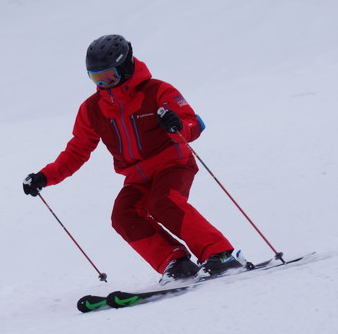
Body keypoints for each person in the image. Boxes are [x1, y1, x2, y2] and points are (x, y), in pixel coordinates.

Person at [23, 34, 244, 282]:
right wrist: (45, 177)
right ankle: (176, 263)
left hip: (173, 164)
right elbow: (77, 150)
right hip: (137, 177)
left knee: (164, 202)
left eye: (110, 76)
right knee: (123, 215)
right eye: (96, 78)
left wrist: (176, 126)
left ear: (125, 67)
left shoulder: (158, 91)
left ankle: (222, 255)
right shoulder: (92, 109)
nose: (104, 84)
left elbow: (193, 124)